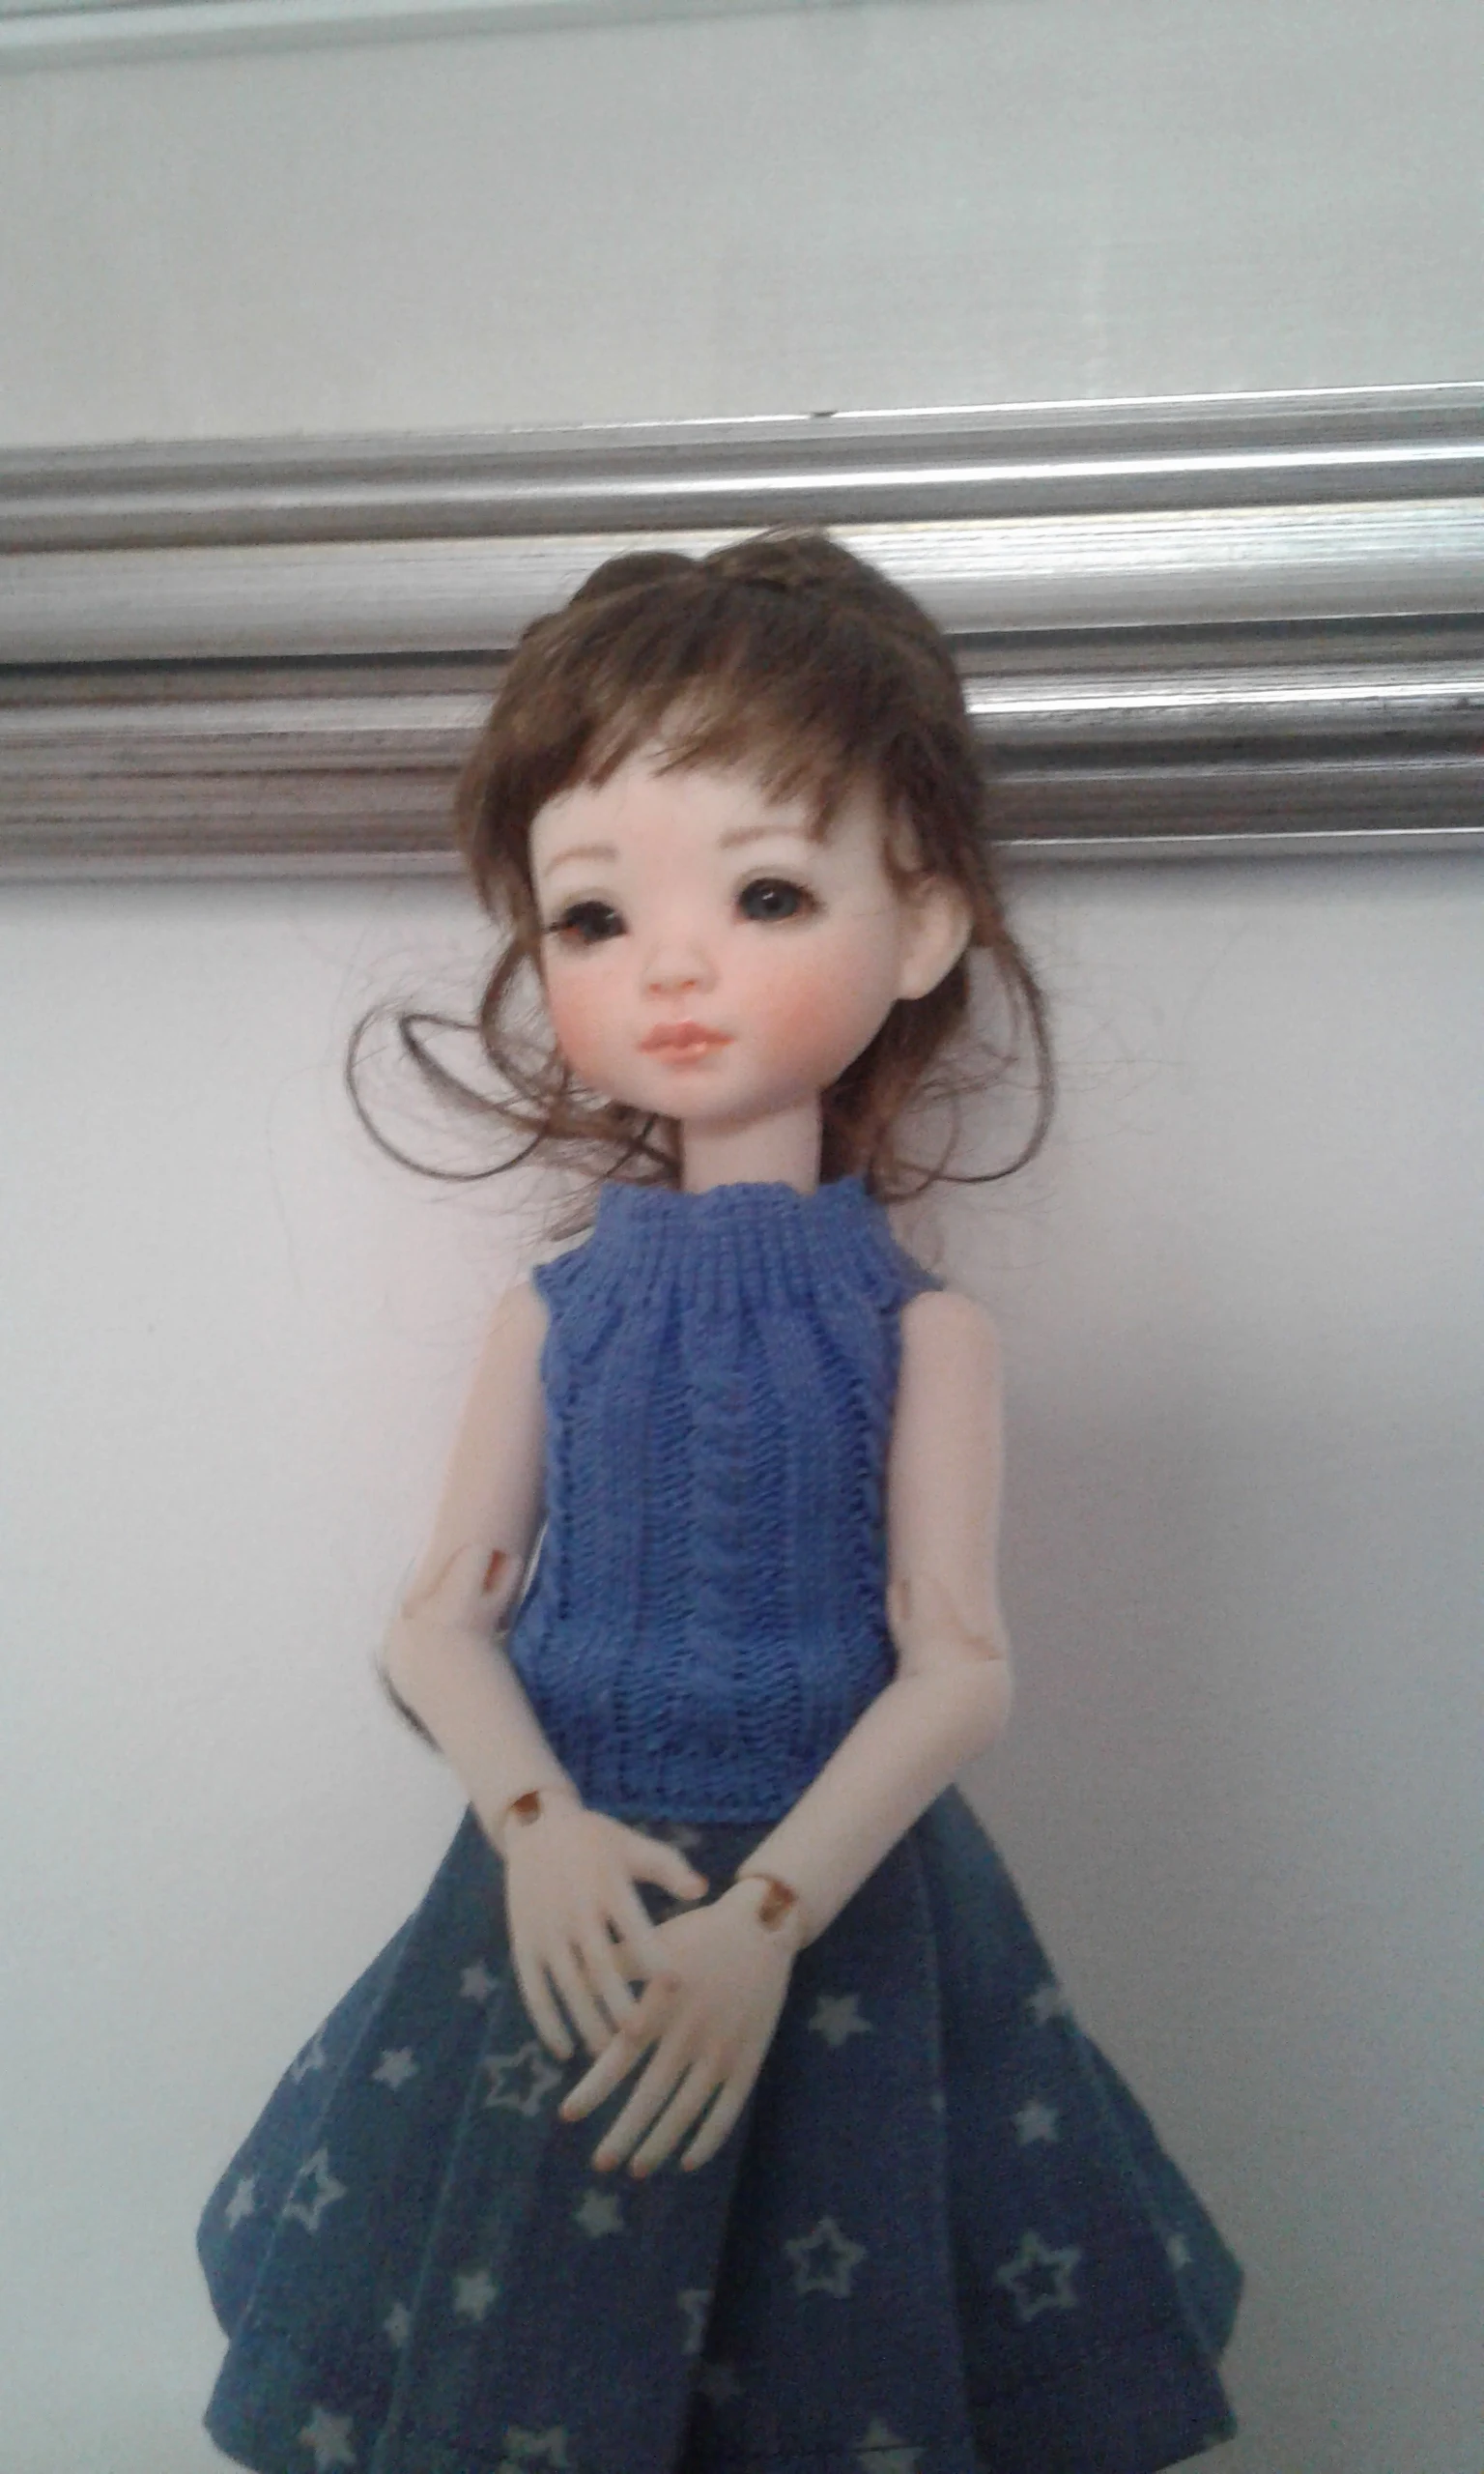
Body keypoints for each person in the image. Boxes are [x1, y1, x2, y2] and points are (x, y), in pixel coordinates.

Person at [198, 532, 1241, 2474]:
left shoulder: (921, 1335)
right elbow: (438, 1616)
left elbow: (960, 1667)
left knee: (845, 2329)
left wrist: (768, 1918)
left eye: (767, 893)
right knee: (523, 2315)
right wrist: (535, 1830)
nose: (672, 965)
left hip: (831, 1905)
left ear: (921, 927)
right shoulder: (559, 1311)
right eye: (594, 916)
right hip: (573, 1895)